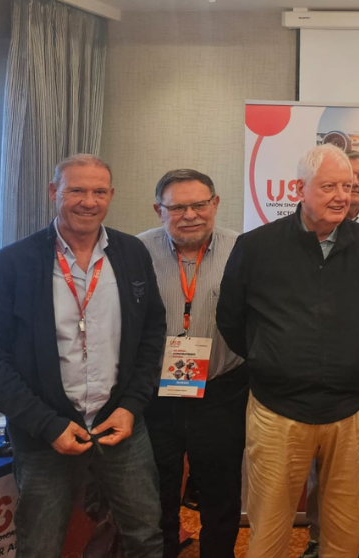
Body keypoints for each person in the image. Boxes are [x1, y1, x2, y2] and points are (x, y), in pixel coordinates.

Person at [217, 144, 359, 558]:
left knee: (344, 530)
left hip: (349, 410)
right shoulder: (256, 246)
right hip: (278, 410)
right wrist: (271, 358)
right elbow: (231, 319)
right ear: (299, 189)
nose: (342, 196)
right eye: (329, 186)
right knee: (269, 531)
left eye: (348, 186)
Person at [0, 154, 165, 557]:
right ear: (54, 192)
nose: (89, 201)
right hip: (44, 433)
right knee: (41, 546)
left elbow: (152, 333)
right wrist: (46, 424)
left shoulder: (132, 253)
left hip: (119, 425)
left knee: (145, 536)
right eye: (76, 190)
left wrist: (131, 406)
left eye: (99, 191)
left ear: (111, 195)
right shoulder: (12, 263)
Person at [138, 169, 247, 558]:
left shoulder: (243, 250)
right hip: (155, 395)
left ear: (215, 204)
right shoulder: (136, 252)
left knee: (221, 493)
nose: (190, 215)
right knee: (157, 492)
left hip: (222, 391)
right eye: (177, 207)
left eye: (199, 204)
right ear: (159, 210)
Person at [303, 150, 359, 558]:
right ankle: (316, 538)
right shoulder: (299, 234)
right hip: (309, 378)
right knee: (316, 468)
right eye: (339, 181)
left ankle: (357, 537)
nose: (350, 187)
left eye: (356, 179)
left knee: (357, 469)